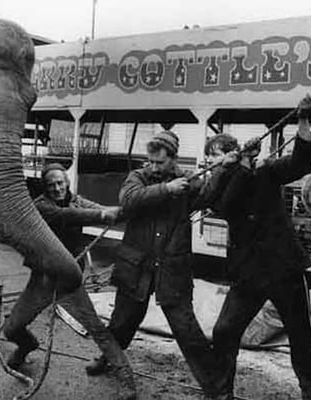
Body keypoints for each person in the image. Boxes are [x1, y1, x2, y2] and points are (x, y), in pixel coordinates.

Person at [86, 130, 231, 398]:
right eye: (150, 161)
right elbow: (128, 200)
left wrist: (222, 169)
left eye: (160, 162)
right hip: (136, 265)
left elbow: (209, 196)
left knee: (187, 331)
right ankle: (108, 359)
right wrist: (166, 188)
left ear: (173, 160)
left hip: (171, 267)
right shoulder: (138, 177)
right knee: (122, 322)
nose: (153, 167)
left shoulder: (188, 179)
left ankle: (218, 390)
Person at [208, 95, 311, 400]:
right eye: (212, 158)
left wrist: (302, 119)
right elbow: (229, 203)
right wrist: (244, 165)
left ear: (230, 154)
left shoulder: (267, 171)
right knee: (224, 331)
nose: (213, 162)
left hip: (284, 267)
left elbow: (300, 163)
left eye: (216, 156)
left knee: (301, 336)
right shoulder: (218, 185)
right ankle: (221, 394)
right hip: (248, 274)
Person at [2, 163, 137, 400]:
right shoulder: (41, 207)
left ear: (67, 183)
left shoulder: (77, 200)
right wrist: (102, 215)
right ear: (45, 188)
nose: (56, 188)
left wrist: (126, 209)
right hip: (42, 280)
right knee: (12, 328)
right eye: (51, 185)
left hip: (69, 280)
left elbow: (98, 209)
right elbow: (68, 216)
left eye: (60, 183)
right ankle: (26, 346)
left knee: (98, 330)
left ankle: (126, 378)